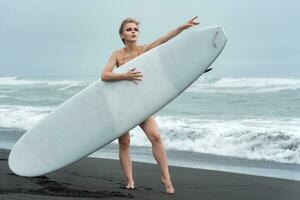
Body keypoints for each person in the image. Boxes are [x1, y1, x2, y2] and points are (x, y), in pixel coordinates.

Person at [101, 16, 200, 194]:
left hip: (141, 102)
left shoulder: (143, 50)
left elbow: (163, 39)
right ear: (122, 35)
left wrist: (182, 27)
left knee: (155, 136)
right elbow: (105, 75)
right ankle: (130, 180)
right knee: (124, 142)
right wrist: (125, 76)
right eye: (129, 29)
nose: (133, 31)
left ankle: (166, 177)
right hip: (122, 104)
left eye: (135, 29)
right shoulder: (116, 54)